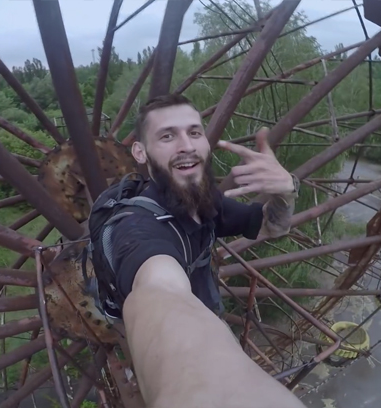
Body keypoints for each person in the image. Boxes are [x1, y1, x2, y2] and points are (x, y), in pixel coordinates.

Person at [103, 94, 306, 408]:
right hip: (153, 342)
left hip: (203, 312)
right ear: (140, 152)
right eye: (167, 136)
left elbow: (274, 227)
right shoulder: (136, 228)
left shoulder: (204, 201)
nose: (186, 145)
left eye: (194, 133)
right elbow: (159, 290)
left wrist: (287, 192)